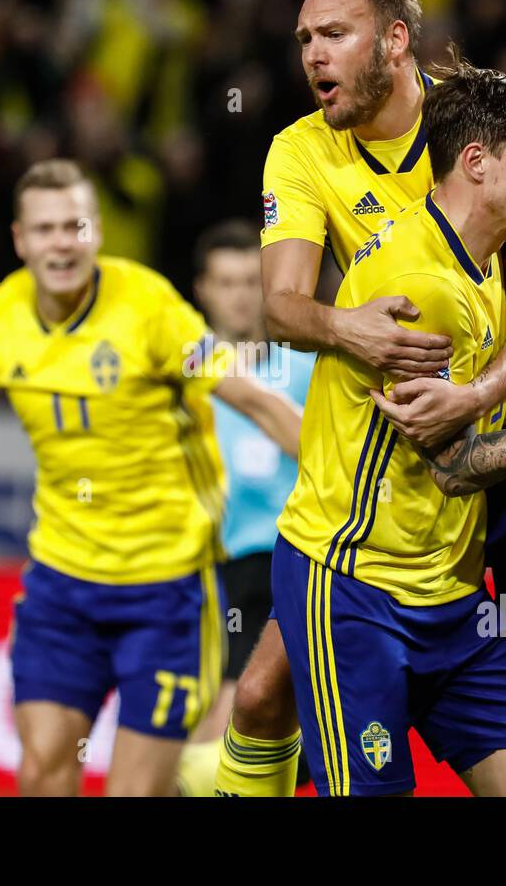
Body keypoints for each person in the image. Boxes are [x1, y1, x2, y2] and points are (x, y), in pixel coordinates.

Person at [217, 0, 506, 797]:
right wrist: (349, 327)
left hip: (497, 426)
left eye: (335, 33)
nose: (312, 55)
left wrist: (488, 394)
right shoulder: (301, 153)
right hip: (374, 512)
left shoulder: (479, 136)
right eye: (304, 38)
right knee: (263, 692)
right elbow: (283, 308)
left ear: (397, 40)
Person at [274, 48, 506, 796]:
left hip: (449, 603)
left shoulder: (483, 262)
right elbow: (452, 470)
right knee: (264, 700)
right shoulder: (422, 289)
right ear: (477, 162)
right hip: (355, 590)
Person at [0, 159, 302, 796]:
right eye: (44, 229)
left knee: (138, 791)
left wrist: (357, 489)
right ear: (20, 240)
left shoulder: (150, 308)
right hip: (61, 589)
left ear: (97, 231)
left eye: (73, 226)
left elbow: (259, 402)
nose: (61, 243)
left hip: (166, 590)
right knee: (43, 771)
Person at [175, 219, 315, 796]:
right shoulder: (176, 376)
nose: (237, 295)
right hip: (187, 572)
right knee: (187, 740)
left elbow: (333, 461)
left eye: (247, 282)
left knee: (235, 727)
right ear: (202, 291)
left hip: (273, 569)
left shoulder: (304, 372)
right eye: (223, 282)